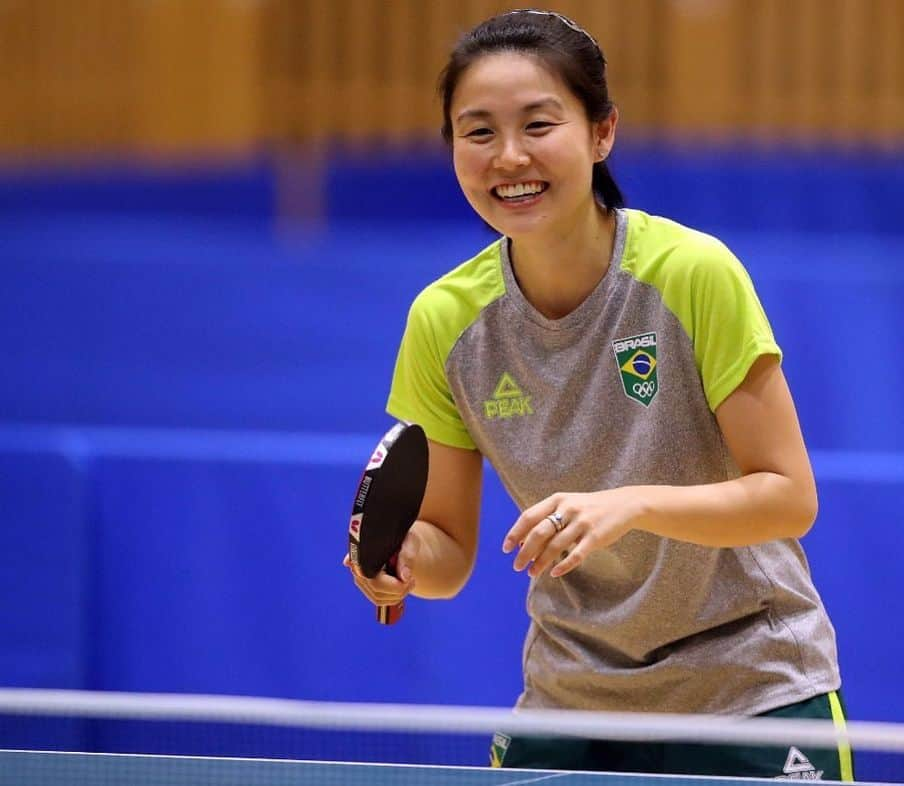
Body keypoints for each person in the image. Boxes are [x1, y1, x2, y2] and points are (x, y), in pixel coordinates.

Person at [345, 8, 852, 781]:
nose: (508, 157)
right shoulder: (444, 322)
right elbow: (447, 556)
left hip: (751, 687)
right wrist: (401, 556)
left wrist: (632, 504)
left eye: (538, 125)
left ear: (602, 132)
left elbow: (789, 498)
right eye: (477, 132)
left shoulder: (691, 274)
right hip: (574, 700)